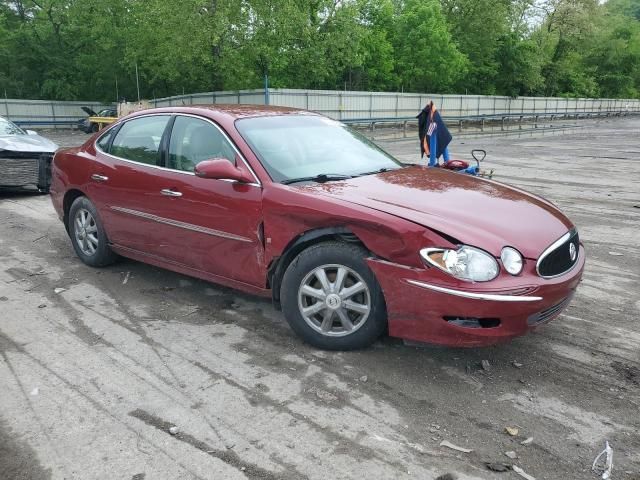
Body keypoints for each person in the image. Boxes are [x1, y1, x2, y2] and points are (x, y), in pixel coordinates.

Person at [417, 101, 452, 167]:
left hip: (441, 136)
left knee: (443, 143)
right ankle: (446, 162)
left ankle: (441, 163)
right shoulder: (434, 116)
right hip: (442, 136)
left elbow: (428, 133)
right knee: (443, 143)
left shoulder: (433, 118)